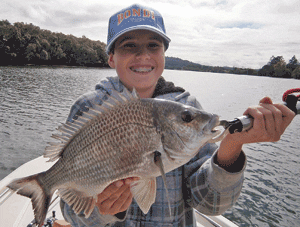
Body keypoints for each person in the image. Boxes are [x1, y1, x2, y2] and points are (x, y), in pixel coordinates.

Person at [60, 4, 295, 226]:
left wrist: (232, 144)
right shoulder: (88, 107)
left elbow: (210, 203)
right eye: (129, 45)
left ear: (164, 55)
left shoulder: (188, 107)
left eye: (154, 45)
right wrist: (104, 213)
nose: (143, 55)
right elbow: (73, 214)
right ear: (111, 57)